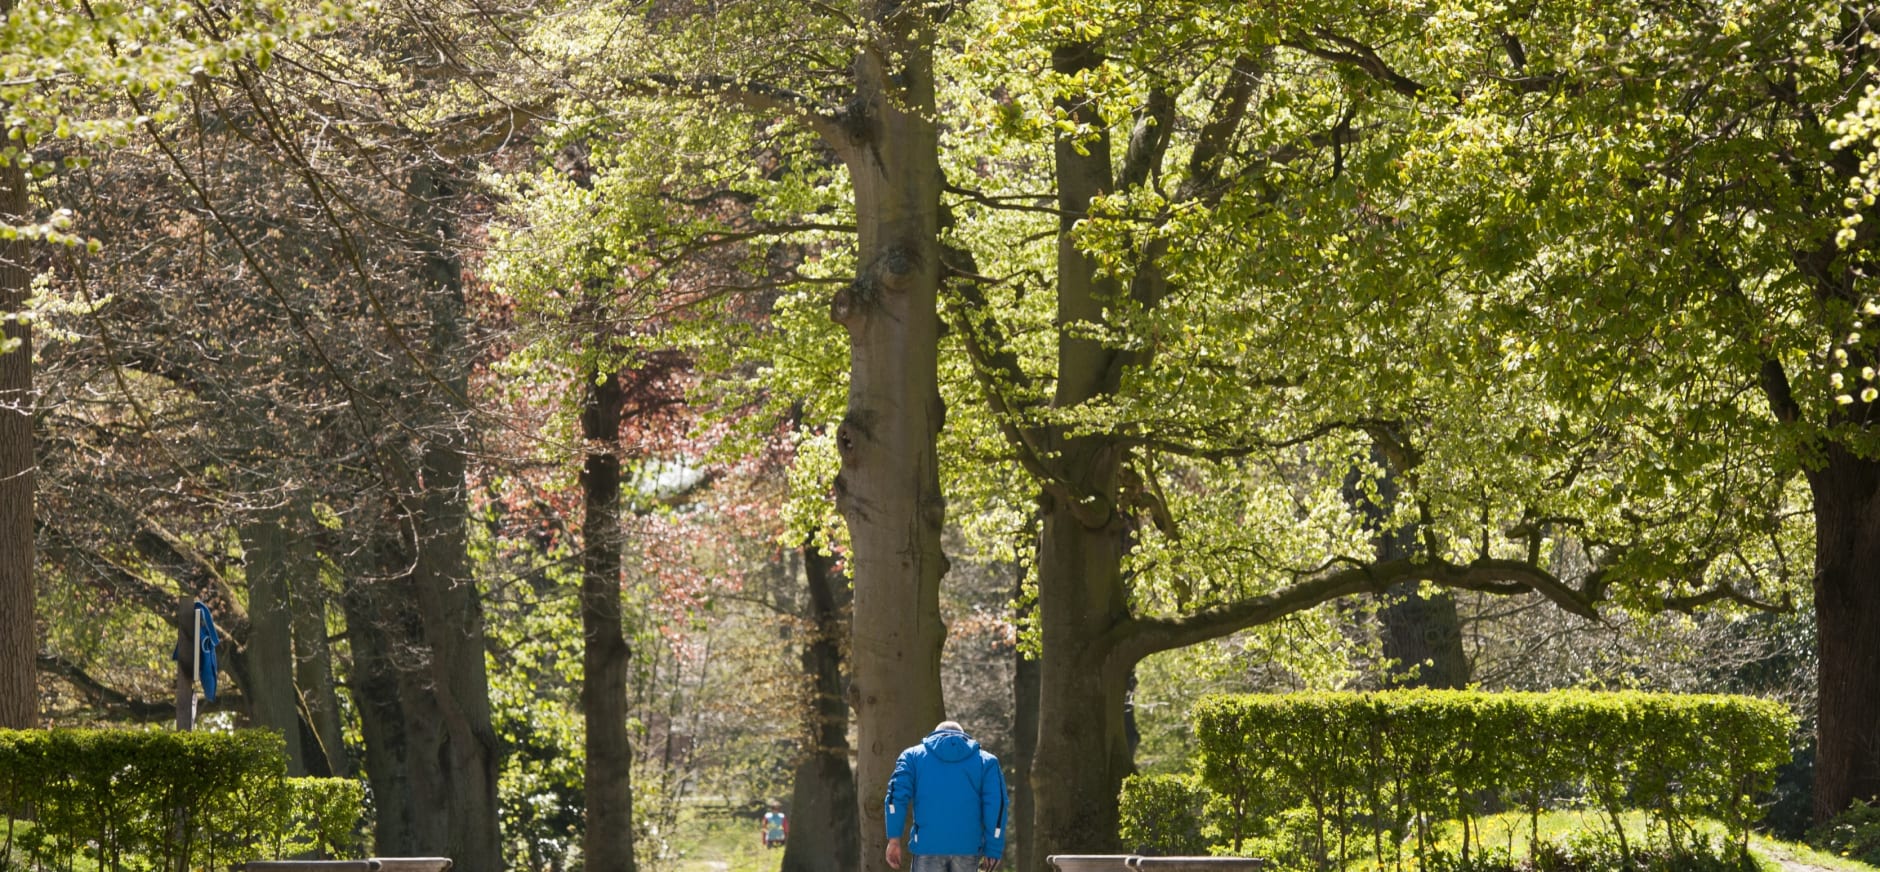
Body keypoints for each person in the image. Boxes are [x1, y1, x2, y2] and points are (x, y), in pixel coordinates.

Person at [884, 720, 1008, 872]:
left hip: (927, 845)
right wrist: (993, 848)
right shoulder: (987, 761)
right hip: (968, 846)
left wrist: (894, 839)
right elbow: (997, 805)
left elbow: (896, 797)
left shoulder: (911, 756)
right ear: (963, 736)